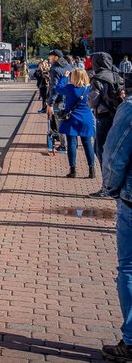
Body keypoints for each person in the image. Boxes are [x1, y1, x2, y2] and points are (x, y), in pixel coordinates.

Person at [101, 78, 132, 362]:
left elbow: (114, 156)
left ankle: (131, 342)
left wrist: (110, 189)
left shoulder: (131, 109)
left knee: (130, 268)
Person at [90, 52, 126, 197]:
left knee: (101, 150)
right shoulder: (118, 76)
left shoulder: (97, 78)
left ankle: (107, 186)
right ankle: (118, 184)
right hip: (119, 116)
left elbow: (93, 100)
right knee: (118, 150)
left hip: (104, 117)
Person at [58, 67, 96, 178]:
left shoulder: (69, 88)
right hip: (86, 118)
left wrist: (64, 77)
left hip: (71, 118)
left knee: (72, 143)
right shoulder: (89, 88)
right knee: (87, 143)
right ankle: (91, 170)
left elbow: (58, 88)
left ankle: (73, 170)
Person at [45, 49, 73, 151]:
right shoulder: (68, 66)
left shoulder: (54, 69)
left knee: (59, 122)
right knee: (67, 121)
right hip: (69, 98)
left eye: (50, 56)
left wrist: (50, 103)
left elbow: (54, 88)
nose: (49, 58)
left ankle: (63, 145)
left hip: (59, 99)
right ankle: (70, 143)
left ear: (56, 57)